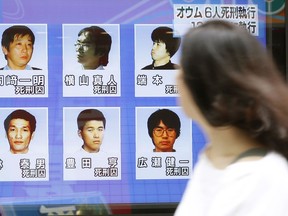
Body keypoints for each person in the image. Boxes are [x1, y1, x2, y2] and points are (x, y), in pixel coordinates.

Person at [175, 20, 288, 215]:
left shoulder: (263, 178)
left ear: (205, 86)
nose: (177, 78)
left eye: (183, 69)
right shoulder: (212, 159)